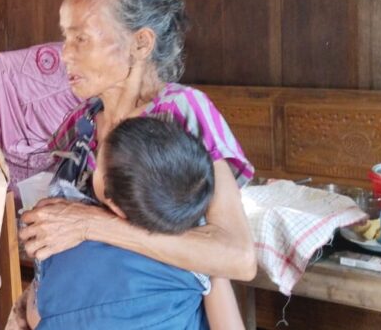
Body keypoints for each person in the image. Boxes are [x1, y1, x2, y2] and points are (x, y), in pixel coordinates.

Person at [14, 0, 256, 323]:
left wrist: (90, 225)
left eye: (82, 38)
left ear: (140, 44)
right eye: (66, 37)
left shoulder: (180, 113)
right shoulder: (80, 124)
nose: (64, 53)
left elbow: (237, 256)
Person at [21, 116, 238, 329]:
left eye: (97, 166)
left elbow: (37, 317)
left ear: (114, 204)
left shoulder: (65, 238)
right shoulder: (195, 262)